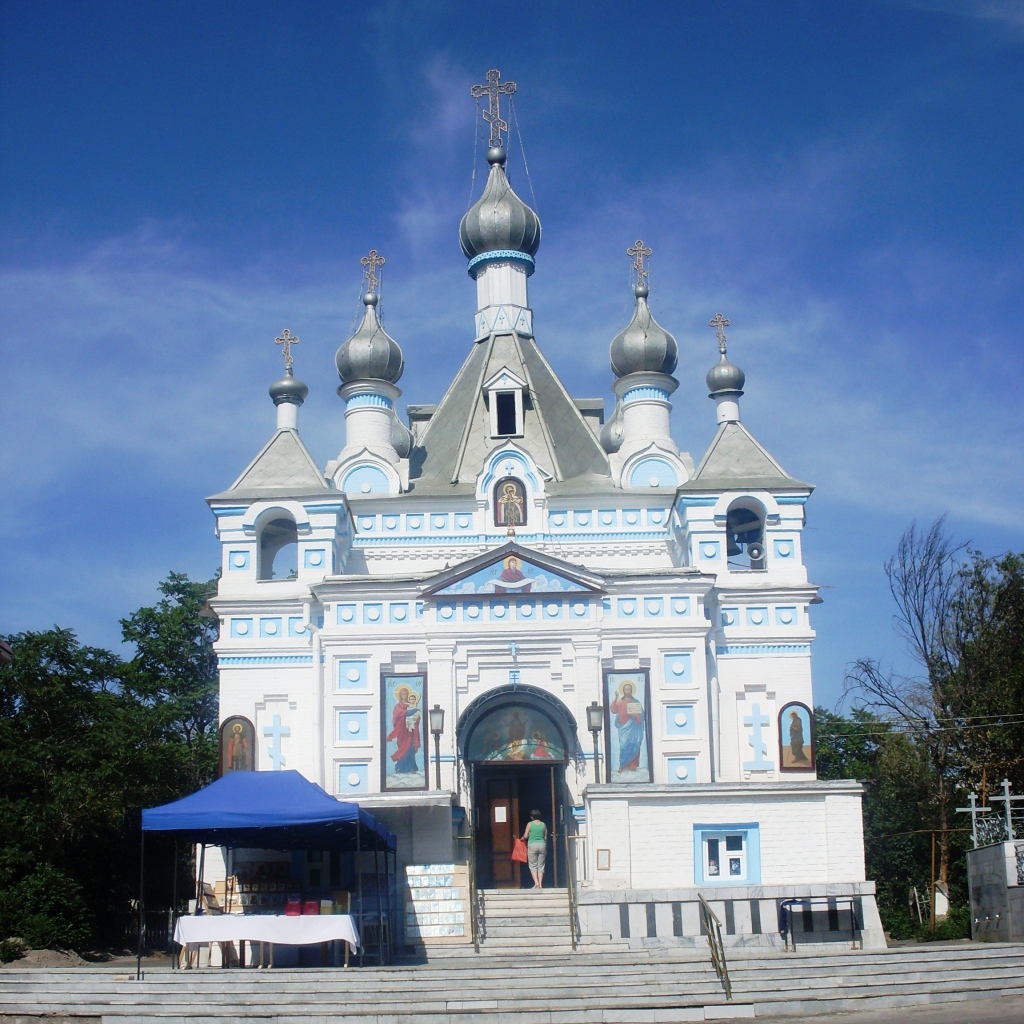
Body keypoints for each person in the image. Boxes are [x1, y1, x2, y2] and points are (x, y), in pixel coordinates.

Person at [610, 680, 645, 773]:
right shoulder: (619, 702)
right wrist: (615, 698)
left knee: (635, 744)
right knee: (624, 746)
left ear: (631, 690)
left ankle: (633, 765)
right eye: (626, 689)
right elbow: (613, 710)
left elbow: (641, 715)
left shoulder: (636, 702)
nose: (627, 691)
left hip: (634, 727)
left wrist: (636, 716)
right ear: (623, 690)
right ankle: (623, 765)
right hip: (623, 727)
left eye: (629, 689)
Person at [521, 809, 548, 889]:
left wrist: (521, 839)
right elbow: (545, 837)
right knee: (541, 866)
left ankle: (536, 883)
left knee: (533, 865)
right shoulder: (543, 824)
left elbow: (526, 836)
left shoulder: (530, 824)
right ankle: (540, 884)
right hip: (542, 844)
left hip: (532, 845)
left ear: (532, 817)